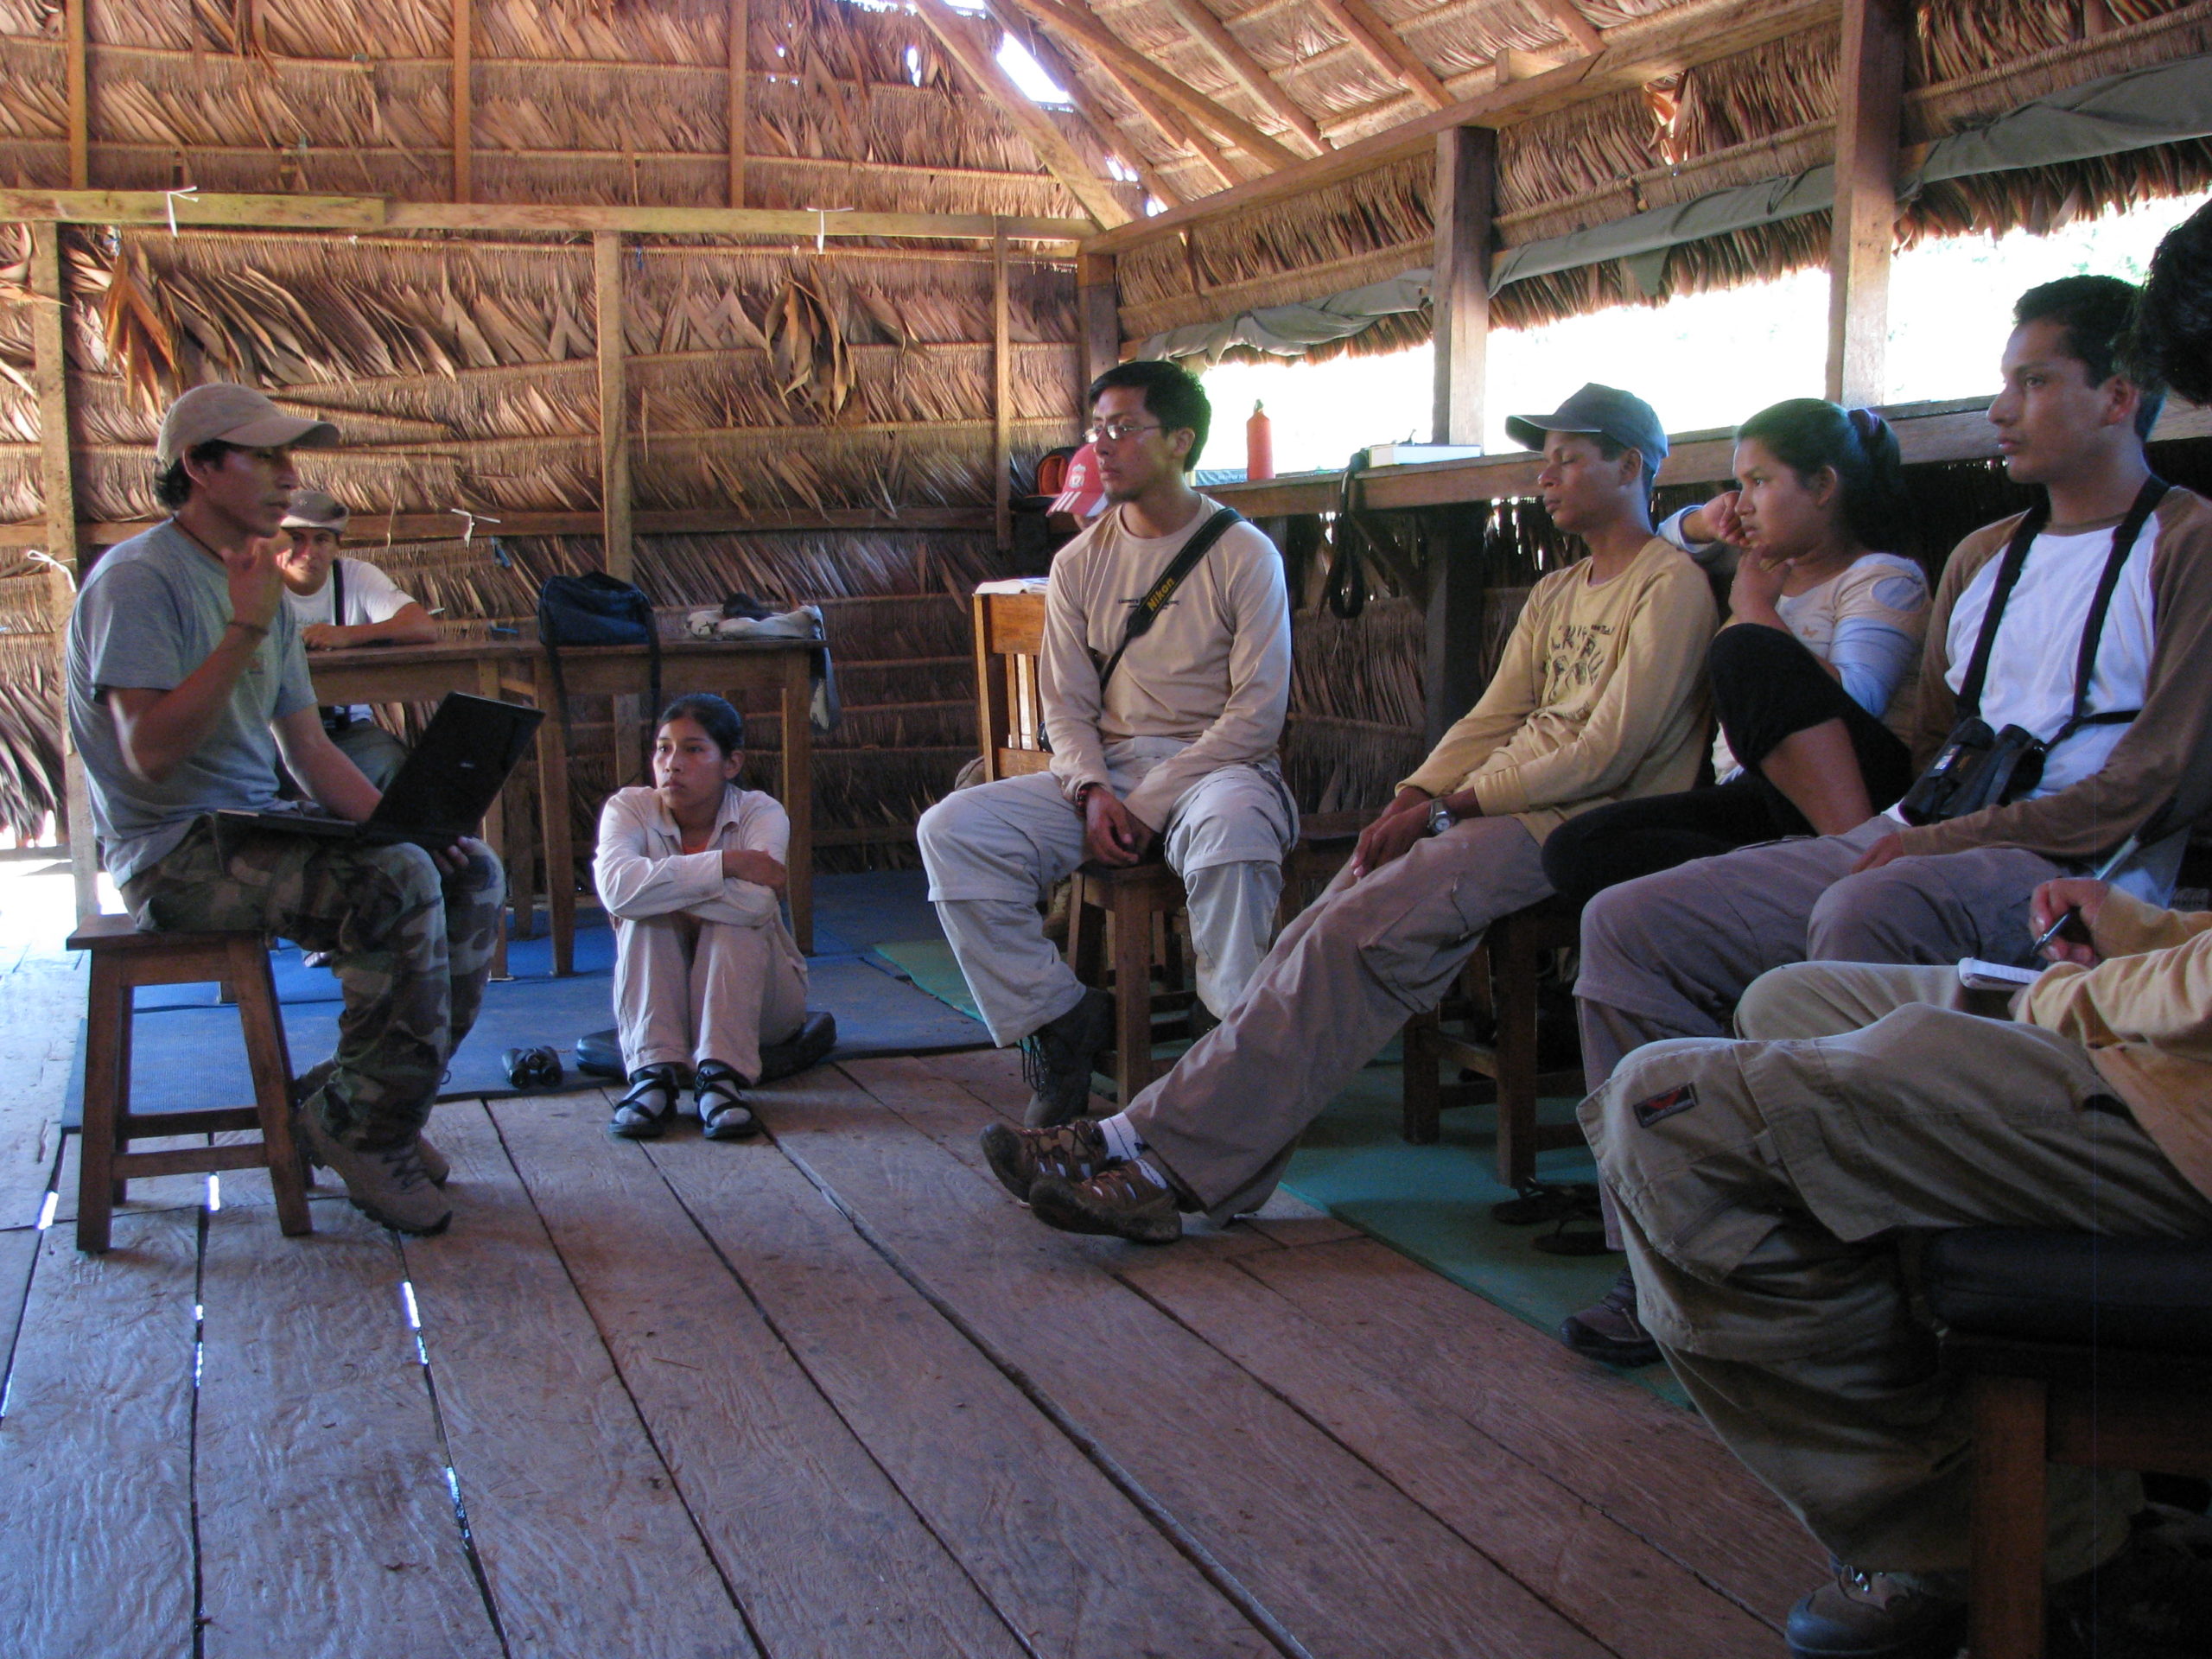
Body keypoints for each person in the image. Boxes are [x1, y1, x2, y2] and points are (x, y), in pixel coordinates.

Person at [1558, 275, 2212, 1367]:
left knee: (1874, 901)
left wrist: (1933, 840)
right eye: (2003, 382)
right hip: (1928, 826)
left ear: (2119, 395)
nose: (2001, 408)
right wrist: (1916, 828)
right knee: (1628, 923)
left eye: (2033, 380)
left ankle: (1852, 1301)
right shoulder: (1983, 556)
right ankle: (1668, 1270)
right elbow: (1931, 740)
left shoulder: (2186, 544)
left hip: (2083, 867)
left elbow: (2162, 776)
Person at [980, 384, 1719, 1244]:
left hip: (1569, 829)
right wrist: (1411, 796)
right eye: (1543, 457)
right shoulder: (1559, 592)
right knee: (1304, 946)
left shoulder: (1670, 590)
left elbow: (1610, 753)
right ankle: (1145, 1155)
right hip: (1490, 816)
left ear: (1631, 466)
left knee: (1340, 950)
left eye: (1567, 458)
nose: (1545, 476)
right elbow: (1490, 714)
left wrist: (1452, 803)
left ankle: (1148, 1156)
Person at [1581, 875, 2212, 1659]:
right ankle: (1994, 1504)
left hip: (2190, 1129)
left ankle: (2024, 1549)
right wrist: (2143, 930)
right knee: (1784, 1002)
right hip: (2179, 1052)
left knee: (1665, 1111)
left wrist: (2066, 999)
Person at [66, 383, 504, 1236]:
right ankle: (366, 1130)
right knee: (395, 883)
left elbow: (309, 752)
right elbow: (148, 751)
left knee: (464, 868)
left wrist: (405, 822)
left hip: (256, 824)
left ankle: (357, 1111)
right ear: (198, 466)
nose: (286, 474)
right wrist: (241, 631)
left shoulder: (254, 580)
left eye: (286, 454)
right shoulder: (138, 581)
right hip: (172, 853)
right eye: (263, 455)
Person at [917, 359, 1295, 1127]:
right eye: (1098, 431)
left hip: (1220, 769)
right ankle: (1059, 1021)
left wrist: (1149, 803)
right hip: (1111, 770)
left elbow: (1256, 716)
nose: (1103, 447)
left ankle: (1225, 1054)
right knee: (953, 829)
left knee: (1234, 836)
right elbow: (1065, 705)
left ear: (1181, 440)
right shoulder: (1079, 563)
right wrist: (1092, 791)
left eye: (1124, 429)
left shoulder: (1244, 555)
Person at [1542, 400, 1929, 905]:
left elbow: (1857, 703)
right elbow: (1664, 539)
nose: (1743, 503)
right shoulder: (1764, 568)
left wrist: (1755, 610)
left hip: (1861, 792)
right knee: (1576, 847)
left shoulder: (1882, 577)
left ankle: (1850, 860)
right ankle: (1774, 875)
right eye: (1739, 486)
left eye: (1760, 482)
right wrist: (1707, 521)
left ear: (1823, 487)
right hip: (1755, 795)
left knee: (1744, 648)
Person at [594, 694, 806, 1141]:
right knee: (642, 919)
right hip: (663, 1011)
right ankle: (652, 1075)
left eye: (693, 749)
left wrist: (655, 889)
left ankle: (720, 1077)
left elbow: (757, 906)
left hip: (761, 1006)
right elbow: (616, 892)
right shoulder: (628, 809)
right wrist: (726, 865)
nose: (672, 763)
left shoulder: (759, 812)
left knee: (723, 919)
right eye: (663, 748)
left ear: (731, 764)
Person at [273, 488, 439, 790]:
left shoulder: (355, 576)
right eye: (296, 538)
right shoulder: (256, 582)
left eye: (321, 539)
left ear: (338, 544)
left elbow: (422, 626)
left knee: (396, 771)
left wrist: (347, 635)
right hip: (271, 733)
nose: (309, 552)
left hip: (345, 731)